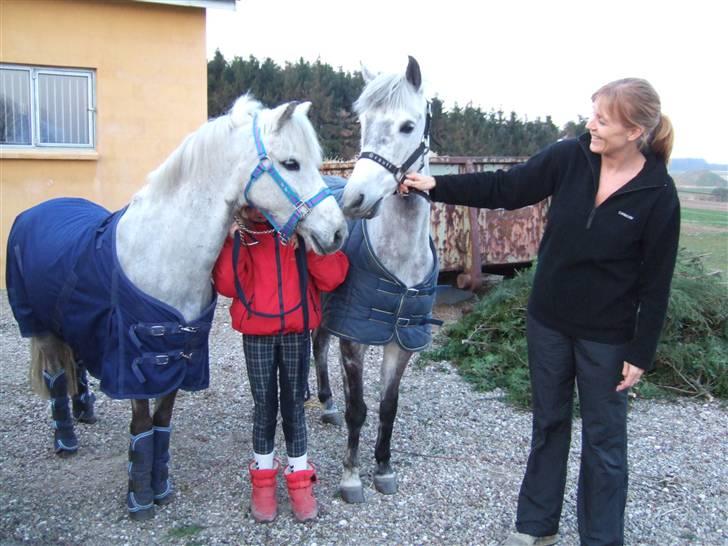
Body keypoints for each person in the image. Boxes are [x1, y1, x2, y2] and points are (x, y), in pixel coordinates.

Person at [404, 78, 679, 546]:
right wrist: (435, 186)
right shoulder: (570, 156)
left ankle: (602, 537)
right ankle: (536, 526)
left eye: (602, 119)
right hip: (548, 322)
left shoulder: (658, 193)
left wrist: (641, 351)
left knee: (605, 443)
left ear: (634, 131)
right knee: (548, 424)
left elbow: (656, 282)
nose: (589, 124)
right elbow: (506, 188)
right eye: (592, 113)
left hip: (607, 338)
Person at [212, 206, 349, 523]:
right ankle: (263, 484)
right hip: (257, 333)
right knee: (264, 407)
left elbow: (332, 278)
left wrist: (313, 245)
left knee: (294, 408)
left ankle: (300, 481)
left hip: (296, 332)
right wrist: (232, 244)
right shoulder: (245, 236)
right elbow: (227, 286)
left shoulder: (298, 231)